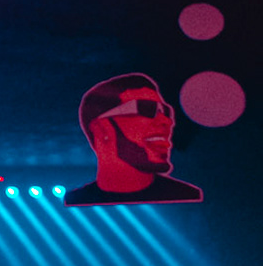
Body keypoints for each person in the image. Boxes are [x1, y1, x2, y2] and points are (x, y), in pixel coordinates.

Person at [62, 73, 203, 207]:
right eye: (146, 108)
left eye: (166, 112)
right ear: (102, 129)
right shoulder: (76, 200)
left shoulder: (186, 195)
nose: (166, 121)